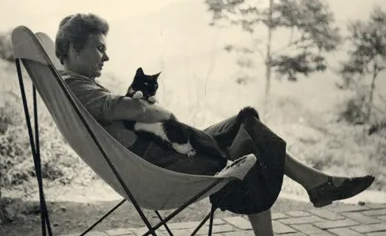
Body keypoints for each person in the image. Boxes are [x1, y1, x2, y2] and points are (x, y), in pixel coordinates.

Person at [54, 13, 375, 236]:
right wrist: (145, 107)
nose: (106, 57)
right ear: (72, 48)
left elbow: (125, 113)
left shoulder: (74, 85)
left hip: (160, 158)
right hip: (162, 167)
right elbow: (128, 110)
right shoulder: (74, 84)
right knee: (250, 136)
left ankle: (316, 184)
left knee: (248, 124)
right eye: (100, 48)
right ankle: (316, 184)